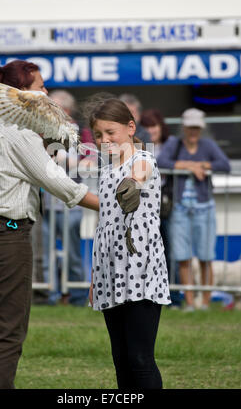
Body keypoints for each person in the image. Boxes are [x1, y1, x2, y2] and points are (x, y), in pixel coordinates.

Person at [0, 60, 99, 389]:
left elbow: (21, 170)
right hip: (5, 234)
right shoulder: (19, 132)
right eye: (40, 86)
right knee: (9, 330)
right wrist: (111, 205)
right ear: (22, 94)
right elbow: (61, 185)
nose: (45, 92)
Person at [87, 97, 171, 389]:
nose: (105, 140)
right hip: (111, 271)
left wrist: (132, 184)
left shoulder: (143, 159)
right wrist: (96, 275)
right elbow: (105, 227)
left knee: (140, 358)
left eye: (111, 132)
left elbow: (140, 174)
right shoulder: (107, 169)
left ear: (131, 127)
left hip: (141, 271)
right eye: (98, 135)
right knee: (120, 358)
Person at [157, 108, 231, 311]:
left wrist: (203, 165)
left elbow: (224, 165)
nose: (192, 132)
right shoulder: (174, 144)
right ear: (184, 127)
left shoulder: (207, 145)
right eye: (190, 128)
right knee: (183, 256)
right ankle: (189, 302)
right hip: (180, 208)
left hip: (204, 207)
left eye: (196, 128)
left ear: (201, 128)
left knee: (206, 256)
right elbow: (161, 161)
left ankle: (205, 302)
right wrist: (189, 166)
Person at [42, 89, 88, 306]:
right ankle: (51, 296)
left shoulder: (80, 133)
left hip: (71, 202)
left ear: (66, 110)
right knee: (47, 253)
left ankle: (77, 297)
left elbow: (85, 162)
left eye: (54, 106)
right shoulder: (44, 130)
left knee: (72, 255)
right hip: (48, 202)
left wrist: (59, 157)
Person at [141, 109, 181, 308]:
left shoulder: (171, 142)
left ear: (161, 126)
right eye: (147, 126)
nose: (151, 130)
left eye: (154, 126)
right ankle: (154, 294)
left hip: (166, 204)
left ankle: (175, 296)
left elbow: (162, 163)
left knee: (171, 250)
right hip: (145, 205)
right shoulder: (141, 146)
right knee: (151, 252)